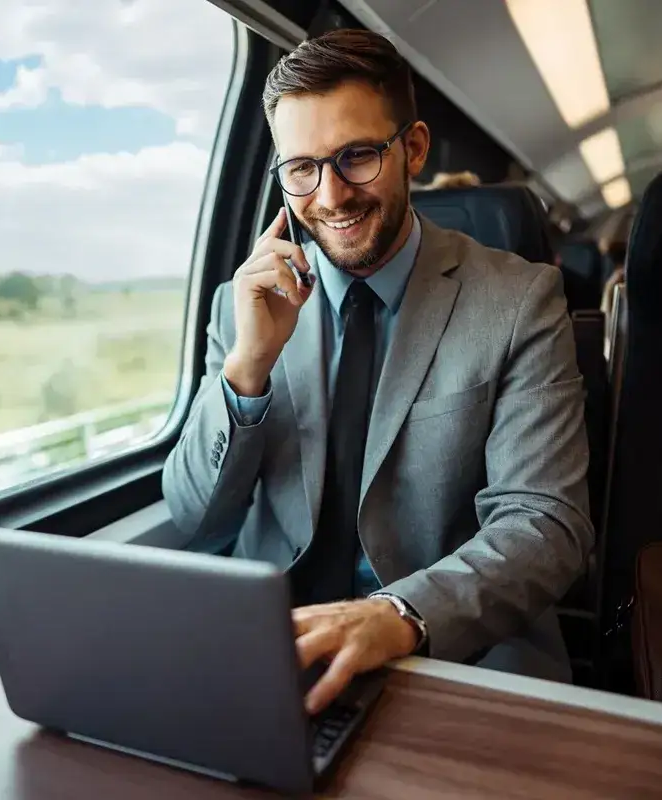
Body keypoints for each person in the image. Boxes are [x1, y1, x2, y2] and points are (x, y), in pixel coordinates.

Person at [161, 29, 592, 714]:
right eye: (301, 168)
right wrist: (248, 370)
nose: (330, 195)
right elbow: (194, 514)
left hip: (453, 650)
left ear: (413, 149)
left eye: (356, 156)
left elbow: (545, 523)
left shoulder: (518, 300)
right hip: (275, 651)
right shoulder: (240, 306)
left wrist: (398, 616)